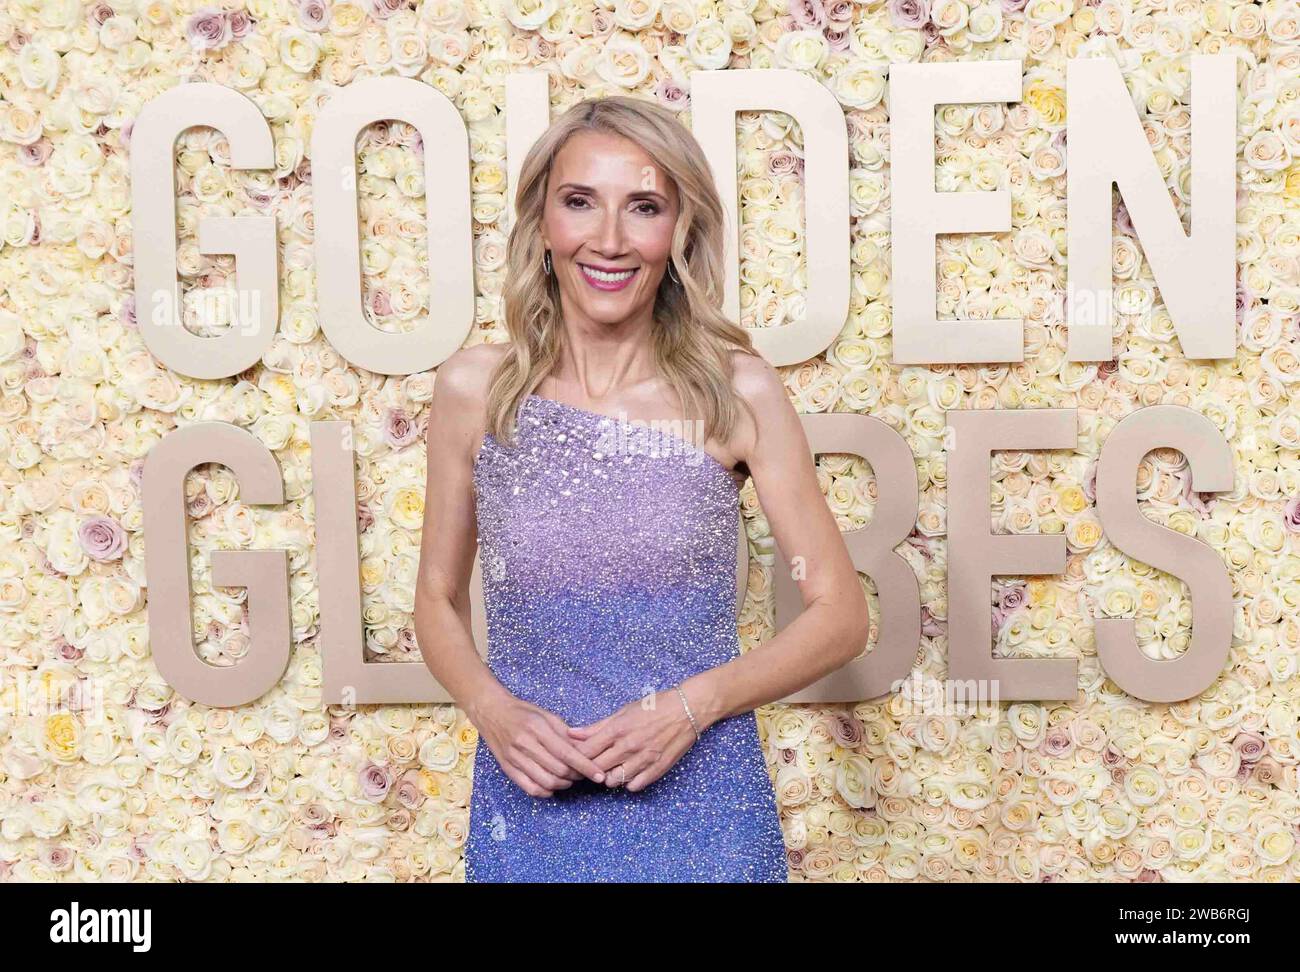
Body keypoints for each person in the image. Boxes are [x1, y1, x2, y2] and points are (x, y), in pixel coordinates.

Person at [413, 95, 870, 882]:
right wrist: (493, 711)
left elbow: (840, 616)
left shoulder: (738, 393)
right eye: (580, 202)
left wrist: (690, 709)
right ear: (542, 223)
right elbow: (435, 598)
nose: (610, 240)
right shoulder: (474, 389)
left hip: (707, 819)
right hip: (529, 815)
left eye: (645, 207)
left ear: (679, 230)